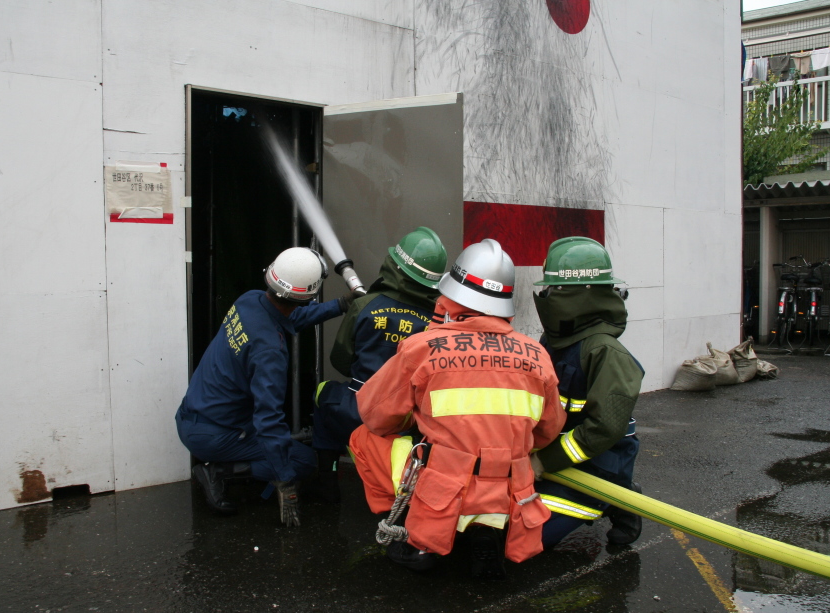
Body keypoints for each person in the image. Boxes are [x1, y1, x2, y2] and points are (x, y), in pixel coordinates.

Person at [349, 239, 566, 579]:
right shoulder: (537, 355)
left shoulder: (423, 347)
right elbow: (548, 430)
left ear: (452, 293)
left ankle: (414, 539)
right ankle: (486, 530)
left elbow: (375, 414)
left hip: (445, 489)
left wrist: (417, 419)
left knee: (364, 438)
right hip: (511, 488)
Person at [175, 247, 351, 526]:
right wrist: (285, 480)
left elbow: (291, 317)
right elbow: (268, 419)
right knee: (303, 461)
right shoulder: (269, 352)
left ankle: (229, 464)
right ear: (308, 296)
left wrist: (341, 304)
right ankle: (219, 472)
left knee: (281, 448)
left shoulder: (250, 300)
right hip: (215, 435)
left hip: (193, 416)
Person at [311, 227, 448, 502]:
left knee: (323, 393)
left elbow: (340, 360)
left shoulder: (365, 305)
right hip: (406, 420)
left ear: (395, 266)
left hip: (357, 409)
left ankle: (325, 479)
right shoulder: (437, 322)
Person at [530, 237, 645, 547]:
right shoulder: (554, 341)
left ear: (578, 294)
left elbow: (604, 430)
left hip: (597, 466)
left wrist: (544, 462)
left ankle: (619, 497)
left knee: (526, 537)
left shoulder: (606, 353)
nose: (546, 296)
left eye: (553, 289)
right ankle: (618, 497)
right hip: (555, 457)